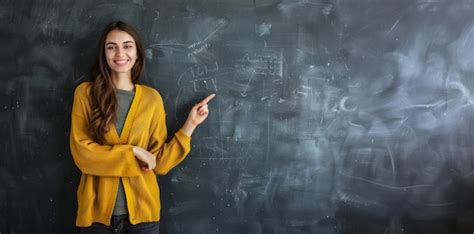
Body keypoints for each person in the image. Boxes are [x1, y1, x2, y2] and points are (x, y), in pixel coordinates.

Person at [70, 20, 215, 233]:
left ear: (137, 53)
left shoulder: (151, 99)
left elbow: (159, 164)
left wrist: (190, 125)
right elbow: (83, 155)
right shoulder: (85, 94)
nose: (120, 53)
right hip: (96, 217)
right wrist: (134, 152)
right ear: (104, 54)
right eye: (112, 47)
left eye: (127, 46)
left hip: (143, 219)